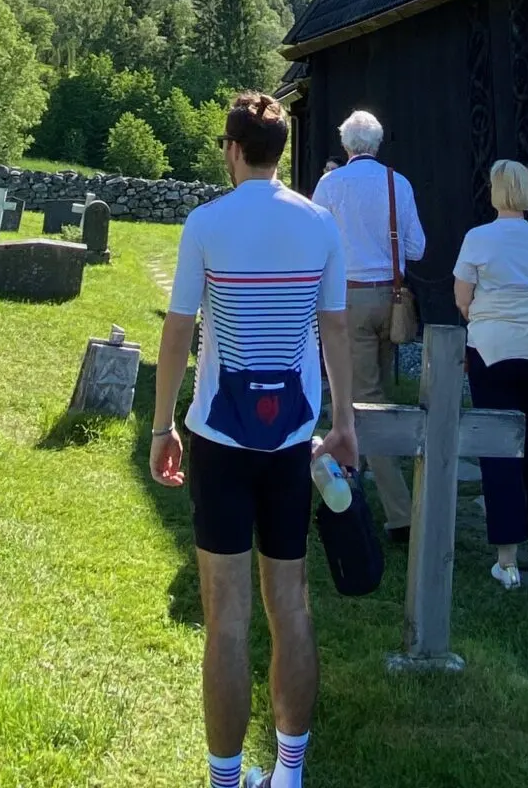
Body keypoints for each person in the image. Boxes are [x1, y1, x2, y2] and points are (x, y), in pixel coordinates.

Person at [150, 93, 354, 788]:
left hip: (219, 437)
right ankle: (290, 772)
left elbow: (179, 327)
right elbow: (333, 327)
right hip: (293, 438)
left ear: (233, 150)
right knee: (291, 605)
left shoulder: (207, 223)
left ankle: (225, 778)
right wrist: (347, 420)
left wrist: (161, 424)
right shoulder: (320, 223)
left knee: (227, 620)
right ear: (283, 152)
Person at [453, 159, 528, 589]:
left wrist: (484, 315)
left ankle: (507, 560)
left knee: (501, 450)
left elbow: (463, 296)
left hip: (496, 351)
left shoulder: (479, 238)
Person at [306, 108, 423, 540]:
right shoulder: (399, 183)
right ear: (376, 143)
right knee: (377, 393)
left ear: (347, 145)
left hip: (347, 296)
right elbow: (417, 246)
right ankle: (361, 473)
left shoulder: (331, 184)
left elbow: (313, 236)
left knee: (362, 400)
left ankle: (402, 514)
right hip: (391, 298)